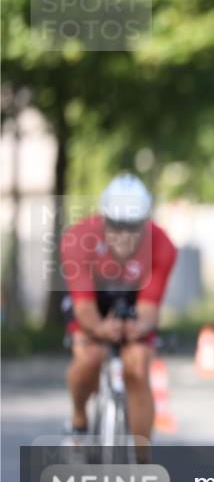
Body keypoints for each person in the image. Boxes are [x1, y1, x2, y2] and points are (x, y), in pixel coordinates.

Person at [60, 173, 177, 452]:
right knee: (89, 356)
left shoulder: (163, 245)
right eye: (115, 226)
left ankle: (142, 460)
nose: (123, 236)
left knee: (137, 365)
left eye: (132, 227)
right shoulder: (78, 239)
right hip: (93, 298)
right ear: (103, 220)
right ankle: (79, 417)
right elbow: (84, 306)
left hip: (133, 299)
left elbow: (149, 309)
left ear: (145, 223)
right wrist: (100, 330)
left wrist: (138, 328)